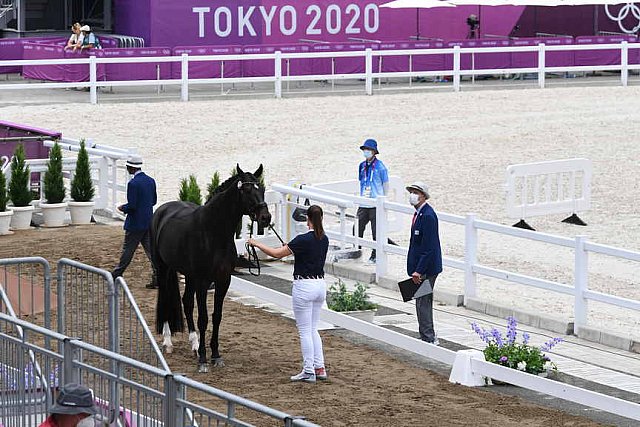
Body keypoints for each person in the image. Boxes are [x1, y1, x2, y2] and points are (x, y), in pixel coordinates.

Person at [248, 205, 328, 383]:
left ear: (308, 219)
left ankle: (308, 370)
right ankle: (319, 366)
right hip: (320, 285)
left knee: (305, 330)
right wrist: (291, 248)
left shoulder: (302, 239)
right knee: (313, 328)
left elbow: (277, 254)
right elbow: (304, 253)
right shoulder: (324, 239)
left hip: (304, 286)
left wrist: (256, 243)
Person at [112, 155, 158, 288]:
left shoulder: (133, 184)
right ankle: (157, 276)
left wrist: (122, 208)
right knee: (151, 252)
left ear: (131, 167)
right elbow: (153, 201)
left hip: (135, 223)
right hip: (149, 221)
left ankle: (117, 274)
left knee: (128, 250)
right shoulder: (151, 181)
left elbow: (132, 206)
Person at [406, 181, 442, 345]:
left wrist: (419, 271)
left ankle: (428, 337)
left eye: (415, 192)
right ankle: (425, 334)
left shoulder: (427, 216)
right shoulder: (419, 214)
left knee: (423, 302)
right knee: (420, 301)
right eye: (411, 191)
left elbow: (429, 247)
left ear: (423, 196)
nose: (412, 194)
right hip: (421, 267)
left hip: (427, 268)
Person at [357, 138, 389, 264]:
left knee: (376, 231)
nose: (366, 151)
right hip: (363, 202)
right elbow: (361, 181)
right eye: (365, 149)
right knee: (357, 228)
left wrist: (382, 199)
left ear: (374, 152)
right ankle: (356, 250)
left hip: (376, 204)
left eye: (369, 149)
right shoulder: (362, 165)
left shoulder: (381, 167)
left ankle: (375, 255)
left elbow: (385, 185)